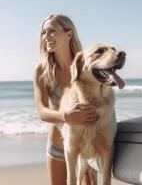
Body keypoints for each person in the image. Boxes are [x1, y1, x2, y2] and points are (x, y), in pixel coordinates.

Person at [33, 14, 99, 185]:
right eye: (43, 33)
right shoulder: (42, 71)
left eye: (52, 32)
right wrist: (67, 116)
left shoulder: (86, 65)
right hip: (58, 146)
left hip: (86, 146)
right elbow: (42, 111)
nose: (46, 37)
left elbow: (101, 100)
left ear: (69, 34)